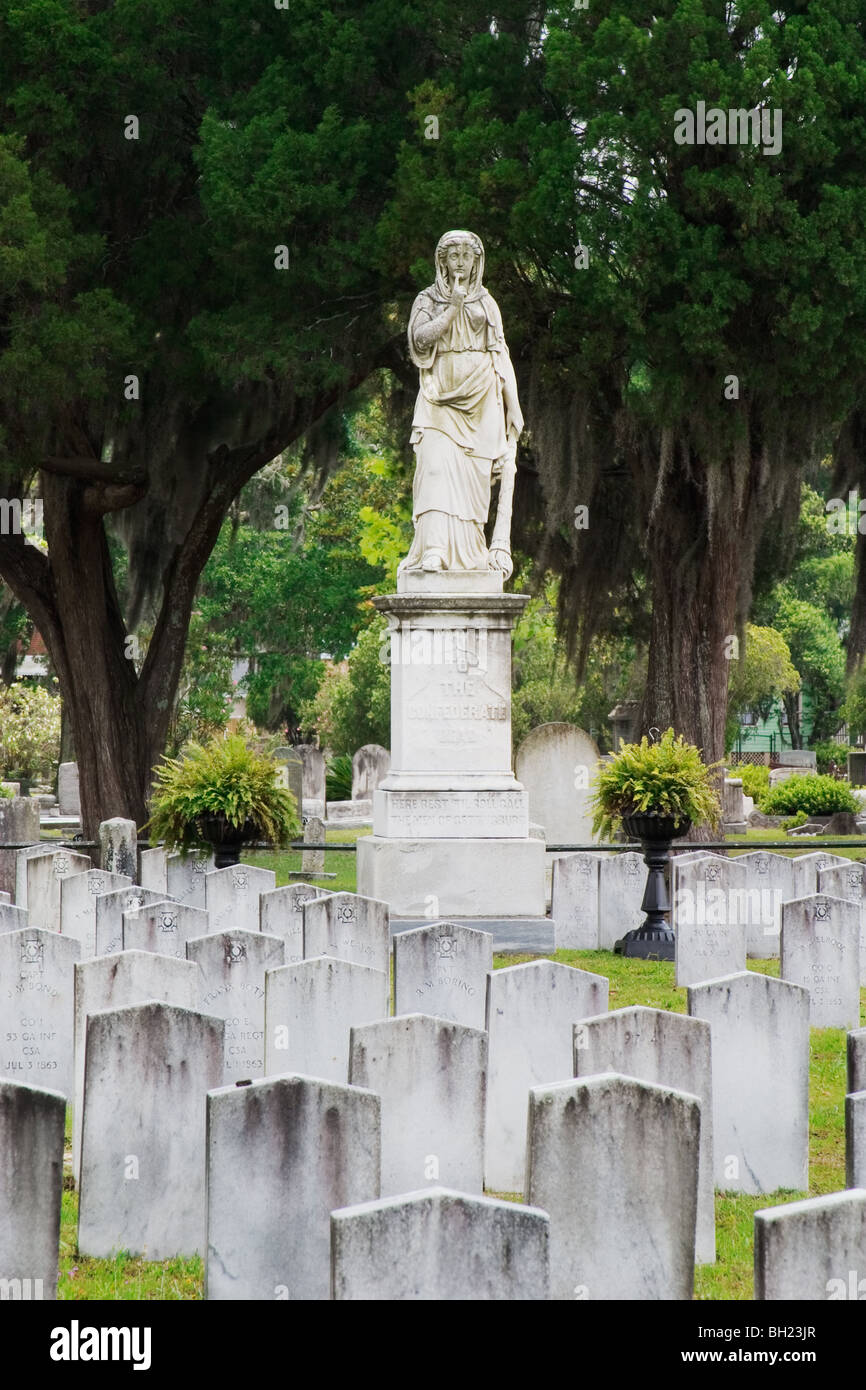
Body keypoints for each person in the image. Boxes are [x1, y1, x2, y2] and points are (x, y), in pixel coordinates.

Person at [400, 230, 523, 576]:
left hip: (483, 396)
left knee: (475, 480)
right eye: (453, 256)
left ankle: (470, 554)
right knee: (435, 468)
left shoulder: (487, 303)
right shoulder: (427, 299)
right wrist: (452, 308)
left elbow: (501, 353)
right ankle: (435, 550)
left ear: (476, 262)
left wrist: (513, 404)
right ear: (442, 262)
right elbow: (419, 339)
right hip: (438, 395)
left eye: (466, 256)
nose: (460, 263)